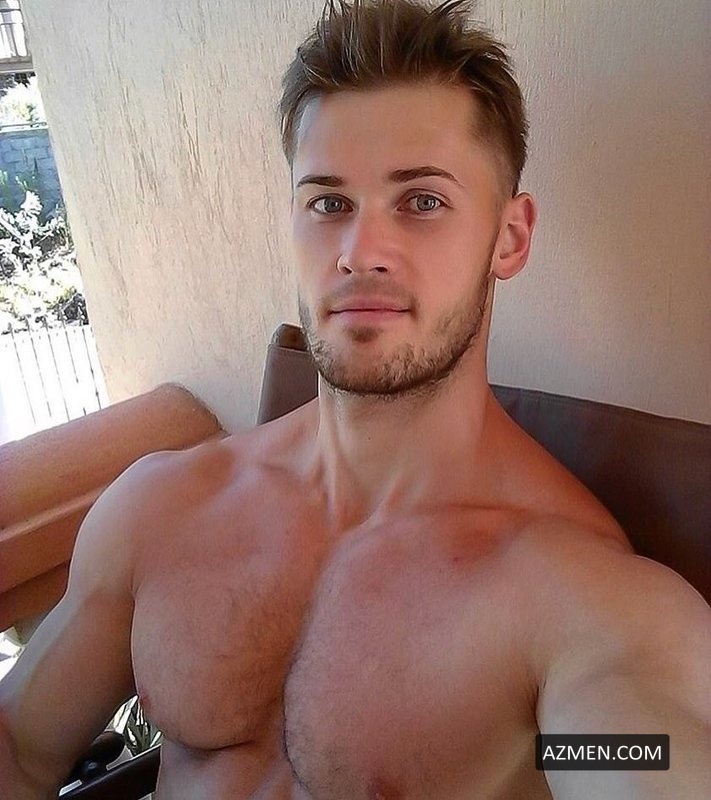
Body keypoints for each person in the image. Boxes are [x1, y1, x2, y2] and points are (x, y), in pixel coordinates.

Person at [1, 1, 709, 797]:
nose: (359, 252)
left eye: (422, 201)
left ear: (509, 238)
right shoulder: (163, 512)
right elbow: (20, 746)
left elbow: (642, 753)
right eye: (328, 203)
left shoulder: (577, 602)